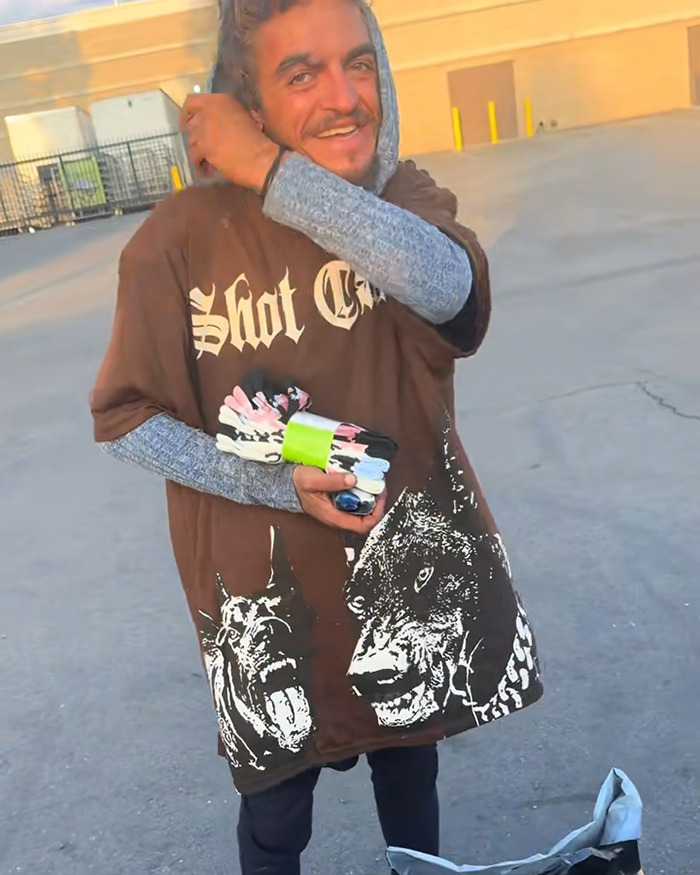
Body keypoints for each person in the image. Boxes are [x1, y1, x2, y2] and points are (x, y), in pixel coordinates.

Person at [89, 0, 543, 872]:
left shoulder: (401, 201)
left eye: (359, 63)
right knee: (275, 823)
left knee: (412, 782)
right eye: (302, 74)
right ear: (243, 100)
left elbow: (448, 289)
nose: (345, 96)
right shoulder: (174, 244)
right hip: (267, 609)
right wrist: (274, 479)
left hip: (400, 588)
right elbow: (126, 422)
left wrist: (269, 167)